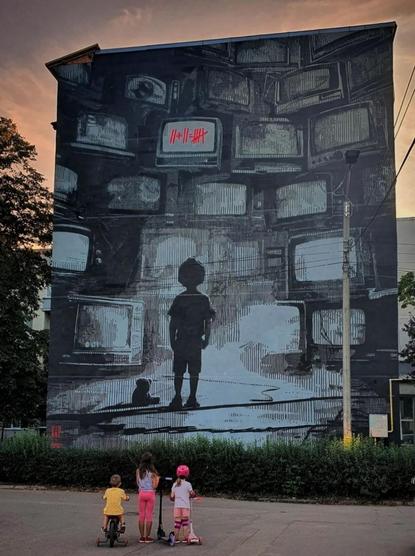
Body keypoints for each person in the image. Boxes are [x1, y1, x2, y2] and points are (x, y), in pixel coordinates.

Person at [168, 258, 215, 409]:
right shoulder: (203, 299)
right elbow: (208, 323)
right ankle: (192, 398)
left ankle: (177, 398)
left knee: (179, 371)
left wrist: (172, 342)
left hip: (181, 341)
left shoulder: (179, 299)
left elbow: (172, 325)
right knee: (194, 372)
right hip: (195, 341)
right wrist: (206, 340)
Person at [136, 452, 160, 543]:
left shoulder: (138, 470)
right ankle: (147, 537)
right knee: (149, 515)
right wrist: (157, 479)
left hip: (141, 493)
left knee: (141, 515)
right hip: (150, 494)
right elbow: (154, 486)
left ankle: (141, 537)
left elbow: (138, 483)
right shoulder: (153, 472)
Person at [170, 464, 196, 543]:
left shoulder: (174, 484)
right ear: (187, 474)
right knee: (185, 523)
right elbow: (192, 494)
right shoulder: (188, 484)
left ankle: (176, 539)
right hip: (185, 506)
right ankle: (186, 538)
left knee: (177, 523)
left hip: (177, 506)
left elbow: (172, 497)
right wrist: (193, 494)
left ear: (177, 473)